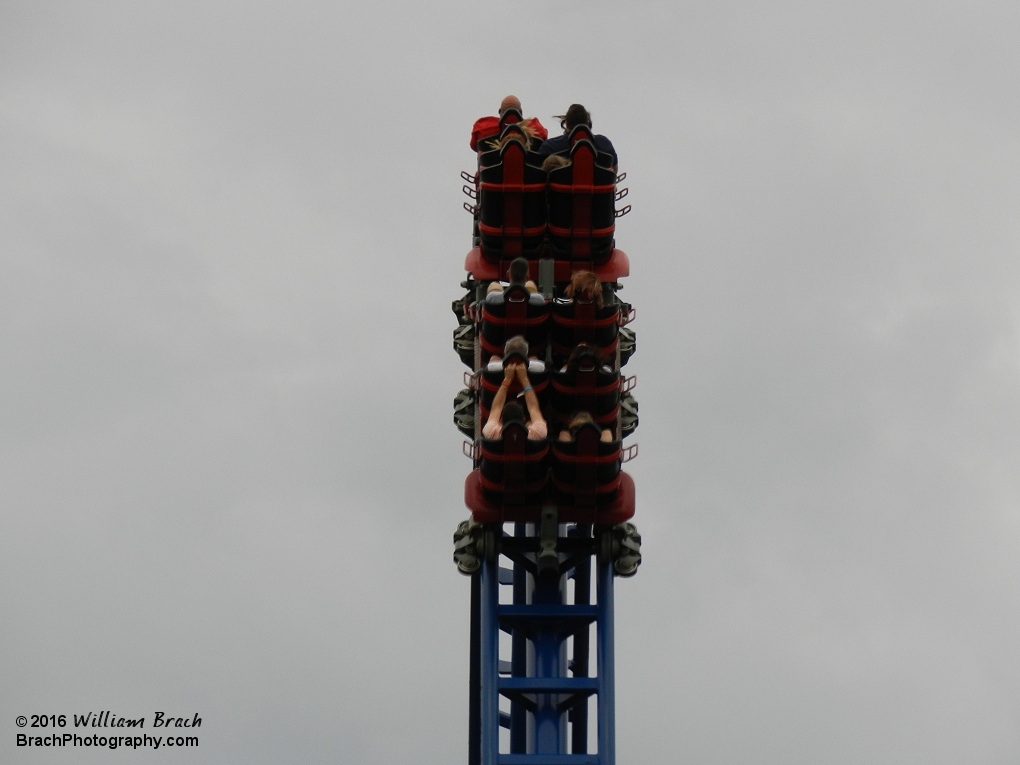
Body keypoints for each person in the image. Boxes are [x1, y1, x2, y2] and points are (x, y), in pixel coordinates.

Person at [537, 104, 617, 170]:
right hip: (598, 186)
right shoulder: (604, 143)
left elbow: (538, 170)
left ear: (566, 123)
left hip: (559, 188)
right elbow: (614, 169)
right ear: (587, 123)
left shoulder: (549, 146)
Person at [482, 362, 547, 440]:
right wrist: (524, 379)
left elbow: (497, 408)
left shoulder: (491, 433)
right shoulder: (539, 433)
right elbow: (533, 408)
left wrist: (507, 379)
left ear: (501, 420)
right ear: (524, 419)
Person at [470, 95, 549, 152]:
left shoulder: (481, 127)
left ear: (499, 111)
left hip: (492, 175)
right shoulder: (536, 128)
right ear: (521, 112)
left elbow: (474, 146)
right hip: (529, 174)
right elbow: (544, 144)